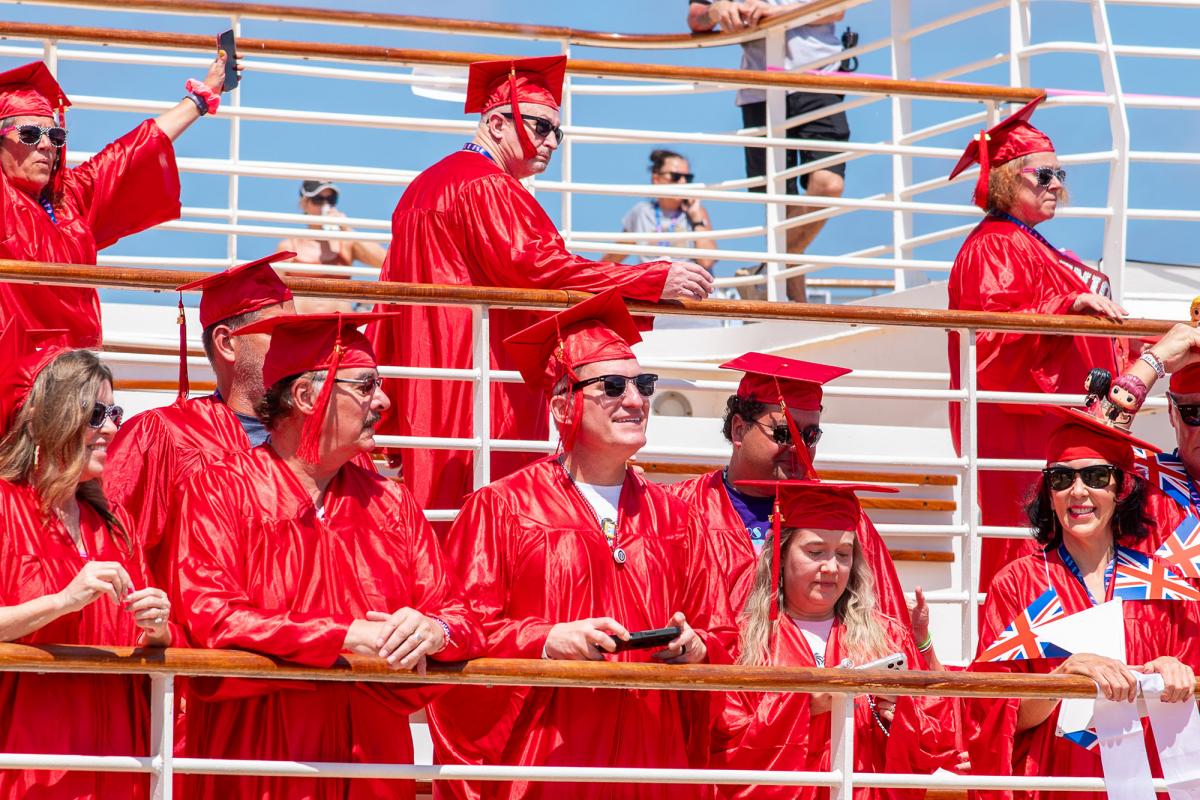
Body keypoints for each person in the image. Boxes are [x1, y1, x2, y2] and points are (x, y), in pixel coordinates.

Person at [367, 55, 715, 526]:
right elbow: (539, 269)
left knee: (436, 515)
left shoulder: (421, 188)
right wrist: (649, 279)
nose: (551, 142)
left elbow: (387, 293)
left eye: (557, 132)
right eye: (541, 126)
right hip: (484, 377)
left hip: (424, 378)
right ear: (495, 123)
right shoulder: (488, 185)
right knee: (495, 515)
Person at [426, 288, 736, 800]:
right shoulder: (503, 508)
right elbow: (462, 630)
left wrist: (697, 646)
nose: (635, 400)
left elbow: (723, 634)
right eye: (612, 386)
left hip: (652, 763)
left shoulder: (679, 518)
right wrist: (547, 640)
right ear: (562, 405)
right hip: (548, 764)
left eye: (643, 384)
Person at [173, 312, 484, 799]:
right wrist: (343, 635)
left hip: (373, 767)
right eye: (365, 385)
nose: (383, 401)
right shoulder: (223, 489)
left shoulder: (392, 503)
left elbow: (460, 615)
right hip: (260, 762)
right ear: (305, 396)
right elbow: (210, 616)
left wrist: (435, 631)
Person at [946, 96, 1140, 593]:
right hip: (1021, 426)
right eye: (1044, 175)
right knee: (1027, 540)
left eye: (1061, 175)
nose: (1057, 186)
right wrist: (1066, 305)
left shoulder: (1027, 242)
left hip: (1049, 422)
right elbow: (992, 337)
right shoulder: (995, 244)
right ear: (1007, 179)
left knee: (1059, 539)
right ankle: (1016, 630)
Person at [968, 406, 1198, 800]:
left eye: (1095, 477)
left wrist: (1178, 673)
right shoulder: (1017, 583)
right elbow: (993, 720)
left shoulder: (1167, 587)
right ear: (1049, 493)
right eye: (1061, 479)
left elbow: (1191, 692)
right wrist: (1062, 680)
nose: (1078, 492)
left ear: (1120, 489)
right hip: (1055, 783)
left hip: (1149, 782)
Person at [0, 323, 174, 799]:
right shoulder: (6, 507)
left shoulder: (114, 524)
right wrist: (62, 601)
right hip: (28, 761)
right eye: (96, 414)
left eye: (114, 412)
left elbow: (146, 643)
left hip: (117, 759)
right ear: (47, 418)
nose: (112, 428)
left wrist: (158, 628)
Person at [712, 480, 962, 799]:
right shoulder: (744, 640)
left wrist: (902, 714)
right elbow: (726, 746)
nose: (831, 567)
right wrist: (806, 706)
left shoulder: (886, 637)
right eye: (815, 552)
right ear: (782, 554)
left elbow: (938, 739)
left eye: (843, 554)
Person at [667, 352, 912, 640]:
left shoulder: (837, 514)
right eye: (784, 434)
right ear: (739, 430)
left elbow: (887, 624)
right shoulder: (678, 507)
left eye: (810, 436)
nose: (798, 448)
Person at [0, 53, 239, 348]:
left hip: (76, 361)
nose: (47, 145)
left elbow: (132, 152)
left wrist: (201, 98)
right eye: (30, 134)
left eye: (56, 135)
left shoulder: (69, 199)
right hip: (15, 364)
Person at [104, 252, 296, 589]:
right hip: (191, 621)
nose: (298, 346)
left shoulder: (322, 440)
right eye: (279, 331)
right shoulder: (162, 436)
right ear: (227, 343)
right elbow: (110, 542)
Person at [688, 0, 850, 303]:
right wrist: (718, 10)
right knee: (782, 209)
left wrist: (780, 13)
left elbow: (836, 7)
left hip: (818, 78)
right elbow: (697, 18)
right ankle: (795, 307)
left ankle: (764, 274)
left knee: (828, 185)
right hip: (759, 88)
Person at [277, 179, 387, 314]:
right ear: (304, 204)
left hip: (342, 325)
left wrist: (346, 228)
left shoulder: (346, 243)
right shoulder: (289, 246)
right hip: (300, 325)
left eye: (331, 199)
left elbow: (385, 262)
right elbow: (271, 292)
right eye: (318, 199)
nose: (325, 205)